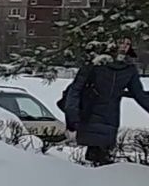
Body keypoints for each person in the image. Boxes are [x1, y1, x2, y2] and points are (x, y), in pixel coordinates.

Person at [61, 38, 149, 168]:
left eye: (128, 44)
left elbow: (140, 95)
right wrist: (73, 118)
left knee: (99, 163)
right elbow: (75, 91)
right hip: (90, 118)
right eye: (121, 42)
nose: (124, 47)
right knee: (96, 161)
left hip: (110, 121)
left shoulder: (129, 70)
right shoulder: (94, 66)